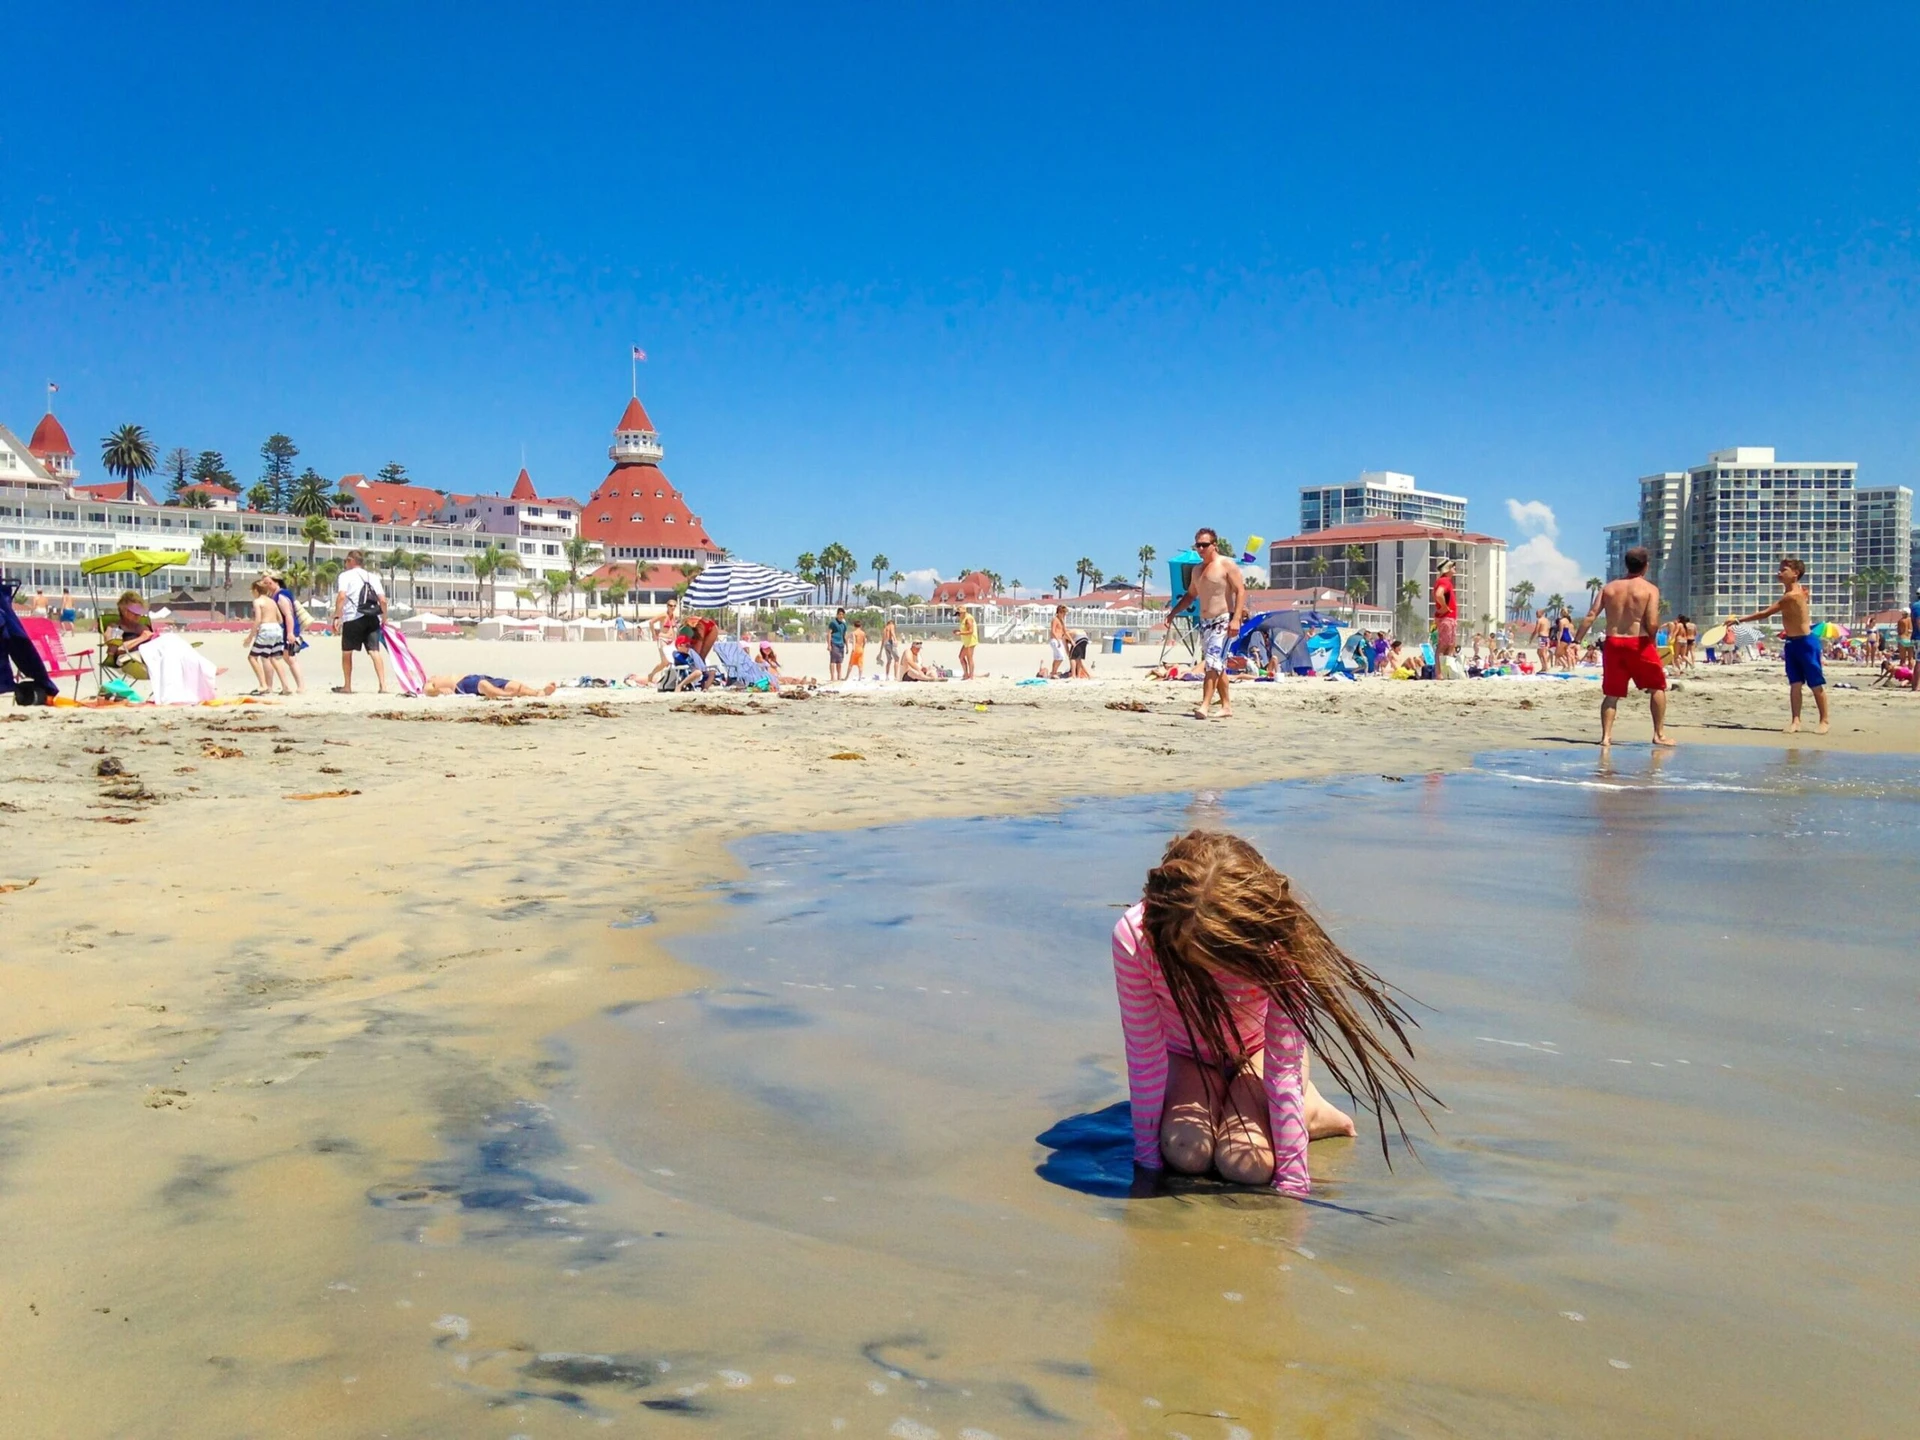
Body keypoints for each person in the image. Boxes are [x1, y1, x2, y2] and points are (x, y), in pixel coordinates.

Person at [1113, 830, 1436, 1195]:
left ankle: (1311, 1109)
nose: (1214, 976)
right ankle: (1221, 1102)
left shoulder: (1277, 943)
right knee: (1186, 1154)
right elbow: (1145, 1057)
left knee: (1245, 1165)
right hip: (1186, 1057)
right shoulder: (1137, 939)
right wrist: (1147, 1168)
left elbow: (1282, 1070)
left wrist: (1293, 1184)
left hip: (1260, 1055)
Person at [1574, 545, 1674, 749]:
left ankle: (1606, 737)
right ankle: (1659, 734)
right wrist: (1653, 640)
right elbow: (1652, 621)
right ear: (1646, 566)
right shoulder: (1650, 589)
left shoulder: (1609, 588)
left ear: (1626, 565)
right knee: (1657, 687)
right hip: (1639, 642)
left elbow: (1591, 615)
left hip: (1613, 643)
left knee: (1612, 694)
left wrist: (1576, 641)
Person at [1727, 556, 1829, 734]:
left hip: (1806, 642)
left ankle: (1824, 721)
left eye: (1783, 570)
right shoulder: (1799, 592)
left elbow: (1765, 614)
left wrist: (1738, 620)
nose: (1779, 572)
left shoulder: (1792, 596)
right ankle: (1795, 721)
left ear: (1795, 574)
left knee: (1815, 684)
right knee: (1795, 683)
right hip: (1791, 642)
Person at [1167, 527, 1246, 719]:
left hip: (1223, 621)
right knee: (1217, 664)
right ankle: (1226, 706)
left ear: (1214, 545)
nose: (1200, 549)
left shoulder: (1226, 565)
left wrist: (1236, 619)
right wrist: (1173, 613)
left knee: (1211, 664)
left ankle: (1204, 705)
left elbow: (1241, 591)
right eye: (1198, 545)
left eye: (1204, 545)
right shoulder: (1197, 570)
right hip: (1205, 623)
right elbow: (1191, 595)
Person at [331, 549, 390, 694]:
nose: (345, 564)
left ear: (351, 561)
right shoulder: (372, 577)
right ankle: (383, 686)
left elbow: (341, 596)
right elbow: (382, 600)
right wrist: (384, 618)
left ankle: (347, 686)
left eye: (346, 561)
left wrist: (337, 616)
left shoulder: (345, 576)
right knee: (375, 651)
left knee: (347, 652)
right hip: (372, 617)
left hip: (353, 617)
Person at [242, 576, 296, 695]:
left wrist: (250, 637)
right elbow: (280, 619)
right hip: (277, 629)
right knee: (275, 658)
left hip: (266, 629)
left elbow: (258, 619)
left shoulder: (257, 602)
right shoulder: (272, 601)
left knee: (252, 657)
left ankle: (263, 685)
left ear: (256, 590)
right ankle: (286, 687)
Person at [268, 571, 307, 692]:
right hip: (285, 629)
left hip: (288, 629)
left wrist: (290, 633)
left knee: (290, 657)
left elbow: (288, 615)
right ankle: (298, 686)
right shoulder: (278, 594)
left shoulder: (280, 595)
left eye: (269, 583)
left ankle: (301, 686)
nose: (267, 585)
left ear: (276, 582)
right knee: (287, 657)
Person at [423, 673, 558, 698]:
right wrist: (439, 690)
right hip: (462, 685)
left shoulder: (439, 676)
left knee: (514, 685)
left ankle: (538, 693)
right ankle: (506, 695)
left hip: (475, 676)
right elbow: (428, 691)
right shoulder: (430, 683)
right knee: (483, 685)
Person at [1430, 560, 1459, 677]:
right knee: (1443, 646)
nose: (1455, 569)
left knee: (1450, 645)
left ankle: (1445, 672)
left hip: (1447, 617)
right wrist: (1445, 607)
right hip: (1446, 617)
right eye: (1452, 567)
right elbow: (1438, 594)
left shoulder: (1444, 581)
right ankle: (1440, 673)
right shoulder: (1444, 581)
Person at [954, 607, 978, 679]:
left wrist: (960, 633)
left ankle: (971, 676)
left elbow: (971, 631)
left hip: (971, 641)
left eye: (959, 614)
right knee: (961, 657)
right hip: (966, 641)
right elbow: (965, 629)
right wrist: (958, 631)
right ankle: (966, 674)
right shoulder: (963, 618)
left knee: (969, 658)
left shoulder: (968, 619)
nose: (958, 615)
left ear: (963, 612)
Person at [1047, 606, 1071, 679]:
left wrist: (1071, 641)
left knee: (1057, 657)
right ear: (1060, 612)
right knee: (1061, 657)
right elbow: (1053, 631)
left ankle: (1053, 672)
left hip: (1059, 640)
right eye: (1064, 613)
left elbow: (1065, 631)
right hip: (1055, 640)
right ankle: (1054, 672)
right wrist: (1057, 640)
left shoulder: (1061, 620)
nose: (1065, 615)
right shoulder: (1055, 619)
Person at [827, 607, 848, 682]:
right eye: (839, 614)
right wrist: (829, 645)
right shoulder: (833, 623)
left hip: (841, 644)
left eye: (842, 614)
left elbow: (845, 635)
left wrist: (847, 646)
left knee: (839, 661)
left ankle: (839, 677)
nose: (841, 616)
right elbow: (829, 633)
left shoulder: (844, 624)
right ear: (837, 614)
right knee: (833, 661)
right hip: (834, 642)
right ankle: (832, 677)